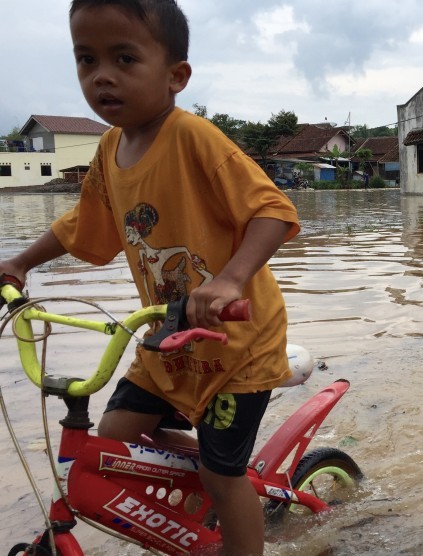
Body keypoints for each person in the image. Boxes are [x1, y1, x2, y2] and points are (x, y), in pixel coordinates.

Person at [0, 1, 300, 554]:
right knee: (113, 441)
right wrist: (19, 263)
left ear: (175, 76)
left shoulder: (194, 138)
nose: (101, 75)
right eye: (86, 59)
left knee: (220, 476)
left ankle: (227, 494)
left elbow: (274, 212)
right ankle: (209, 462)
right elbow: (81, 225)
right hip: (169, 341)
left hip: (237, 348)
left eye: (124, 58)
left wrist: (230, 280)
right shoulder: (110, 149)